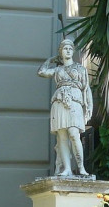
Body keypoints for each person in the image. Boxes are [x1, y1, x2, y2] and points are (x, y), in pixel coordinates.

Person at [38, 39, 93, 176]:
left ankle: (81, 168)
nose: (68, 50)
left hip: (74, 101)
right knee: (62, 136)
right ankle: (67, 168)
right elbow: (41, 72)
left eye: (70, 48)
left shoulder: (80, 68)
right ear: (60, 52)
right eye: (65, 48)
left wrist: (89, 106)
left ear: (73, 51)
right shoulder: (57, 70)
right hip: (59, 101)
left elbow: (86, 89)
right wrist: (51, 59)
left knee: (74, 134)